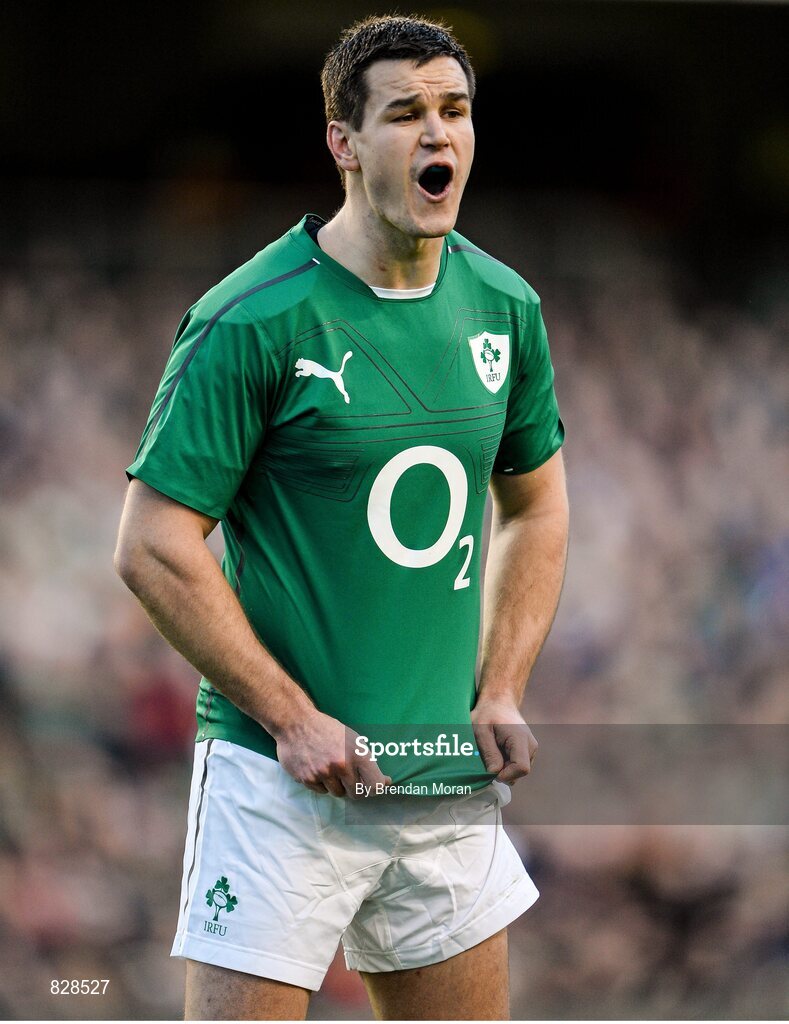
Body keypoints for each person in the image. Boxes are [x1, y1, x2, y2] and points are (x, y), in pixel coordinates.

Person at [115, 13, 568, 1021]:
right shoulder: (251, 319)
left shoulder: (506, 307)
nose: (437, 133)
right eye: (405, 113)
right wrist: (291, 718)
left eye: (454, 110)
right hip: (278, 783)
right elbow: (151, 543)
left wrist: (501, 687)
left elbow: (535, 504)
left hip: (437, 771)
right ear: (344, 144)